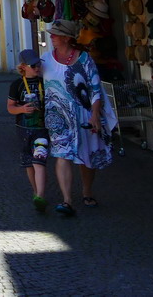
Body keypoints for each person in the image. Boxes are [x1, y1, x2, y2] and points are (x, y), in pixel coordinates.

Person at [41, 19, 116, 217]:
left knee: (87, 154)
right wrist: (24, 69)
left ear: (67, 38)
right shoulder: (45, 59)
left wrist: (94, 114)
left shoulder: (84, 59)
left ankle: (87, 191)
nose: (52, 37)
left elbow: (95, 89)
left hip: (83, 115)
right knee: (61, 154)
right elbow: (32, 73)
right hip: (57, 116)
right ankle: (66, 200)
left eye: (55, 34)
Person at [6, 48, 50, 212]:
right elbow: (10, 108)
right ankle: (35, 191)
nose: (37, 67)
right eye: (33, 65)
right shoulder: (16, 85)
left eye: (38, 64)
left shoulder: (44, 82)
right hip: (23, 129)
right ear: (23, 66)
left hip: (42, 129)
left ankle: (41, 196)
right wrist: (22, 109)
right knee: (29, 163)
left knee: (39, 161)